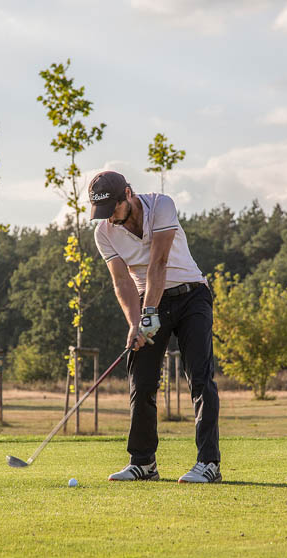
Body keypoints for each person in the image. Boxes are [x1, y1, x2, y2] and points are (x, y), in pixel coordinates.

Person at [89, 170, 221, 484]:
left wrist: (149, 312)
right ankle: (143, 463)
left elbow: (158, 262)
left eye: (112, 209)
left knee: (200, 379)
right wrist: (135, 323)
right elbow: (121, 282)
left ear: (128, 194)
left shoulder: (161, 205)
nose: (110, 218)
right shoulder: (104, 232)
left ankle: (208, 463)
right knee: (142, 382)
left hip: (191, 296)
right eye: (102, 212)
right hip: (147, 300)